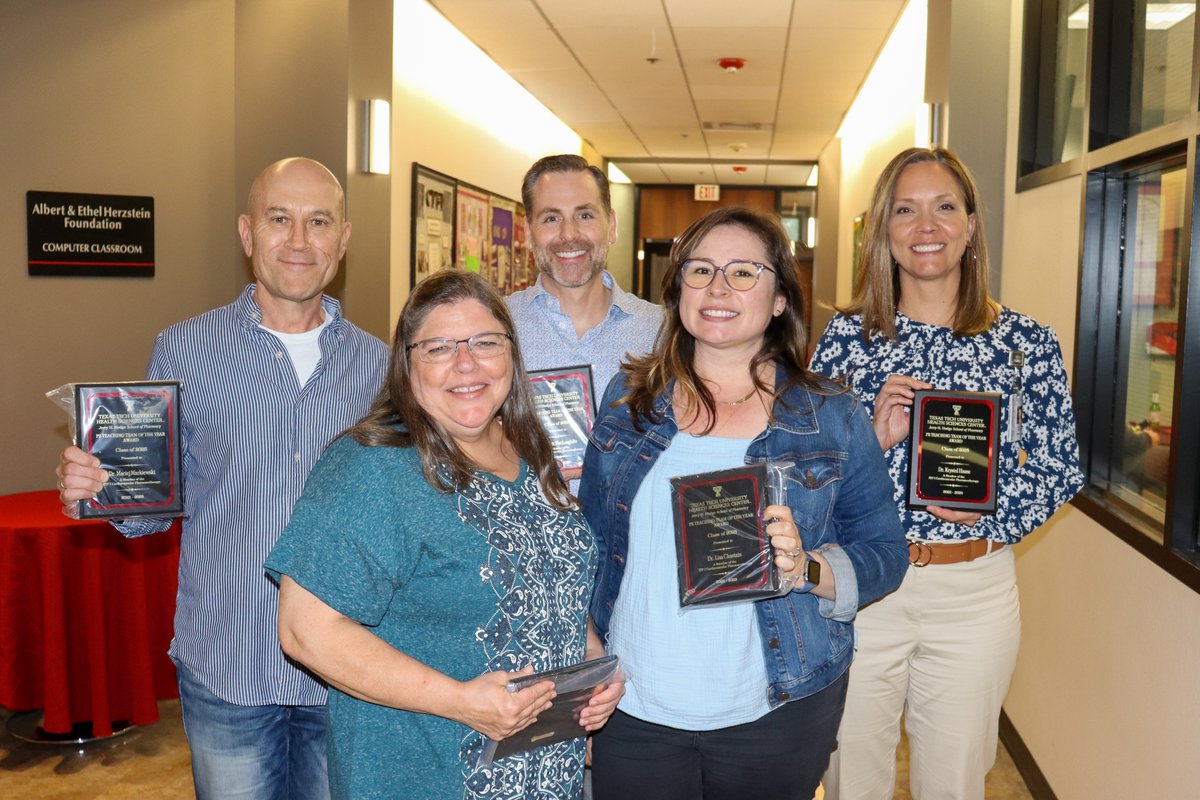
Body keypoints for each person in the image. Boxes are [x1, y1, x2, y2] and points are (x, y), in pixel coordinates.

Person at [55, 157, 388, 799]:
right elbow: (152, 505)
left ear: (342, 241)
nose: (298, 241)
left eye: (318, 222)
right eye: (278, 219)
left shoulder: (381, 367)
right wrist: (99, 486)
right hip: (228, 663)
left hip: (348, 672)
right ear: (246, 233)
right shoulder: (185, 349)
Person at [578, 206, 909, 800]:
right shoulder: (629, 401)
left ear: (780, 297)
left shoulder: (831, 417)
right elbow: (590, 540)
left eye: (743, 272)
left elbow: (885, 552)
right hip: (633, 702)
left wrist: (806, 568)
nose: (717, 289)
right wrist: (586, 646)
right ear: (677, 290)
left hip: (775, 710)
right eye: (700, 271)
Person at [265, 270, 624, 800]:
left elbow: (555, 579)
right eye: (438, 348)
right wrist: (461, 700)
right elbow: (306, 631)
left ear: (511, 355)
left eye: (485, 343)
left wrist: (591, 674)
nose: (466, 364)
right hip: (423, 772)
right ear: (406, 366)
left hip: (544, 774)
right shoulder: (373, 468)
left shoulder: (529, 446)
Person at [810, 147, 1084, 800]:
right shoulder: (847, 340)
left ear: (969, 225)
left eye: (943, 207)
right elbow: (806, 477)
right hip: (864, 587)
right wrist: (868, 443)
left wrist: (993, 508)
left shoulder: (1025, 343)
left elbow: (1058, 469)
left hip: (973, 592)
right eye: (905, 210)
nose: (925, 226)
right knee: (851, 779)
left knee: (955, 784)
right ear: (883, 228)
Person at [507, 154, 662, 411]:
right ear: (528, 233)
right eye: (551, 218)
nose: (569, 234)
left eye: (585, 216)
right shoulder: (495, 327)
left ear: (611, 225)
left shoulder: (661, 332)